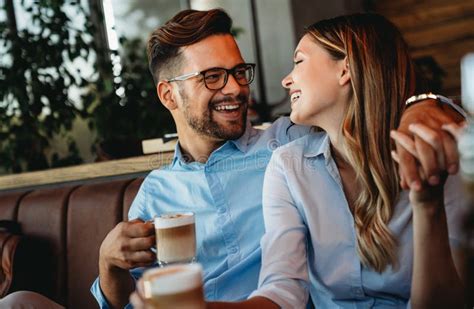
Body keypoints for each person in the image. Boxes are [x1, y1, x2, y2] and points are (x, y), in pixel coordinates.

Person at [93, 9, 464, 309]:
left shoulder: (288, 144)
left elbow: (369, 112)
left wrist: (423, 105)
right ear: (169, 96)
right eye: (213, 77)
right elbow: (134, 300)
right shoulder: (155, 194)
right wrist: (108, 265)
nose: (237, 87)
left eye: (239, 72)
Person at [205, 13, 465, 308]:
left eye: (299, 61)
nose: (286, 79)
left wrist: (427, 205)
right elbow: (282, 287)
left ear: (346, 69)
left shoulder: (432, 151)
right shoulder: (289, 165)